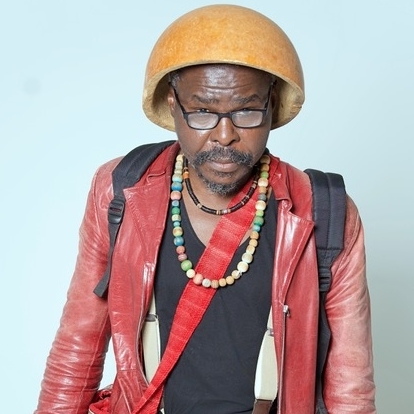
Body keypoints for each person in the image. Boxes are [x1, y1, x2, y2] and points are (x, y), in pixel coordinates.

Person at [35, 4, 376, 414]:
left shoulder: (326, 213)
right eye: (202, 112)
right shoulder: (120, 191)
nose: (225, 135)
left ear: (272, 106)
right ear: (172, 105)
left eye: (247, 110)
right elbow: (78, 348)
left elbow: (351, 390)